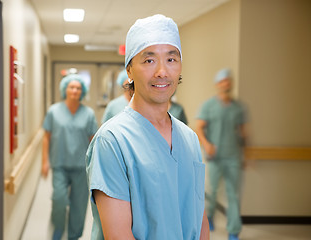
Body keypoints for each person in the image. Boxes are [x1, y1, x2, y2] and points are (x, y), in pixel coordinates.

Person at [86, 14, 209, 240]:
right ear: (129, 70)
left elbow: (199, 219)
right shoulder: (112, 141)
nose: (162, 71)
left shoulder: (189, 138)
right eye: (149, 60)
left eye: (171, 59)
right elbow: (118, 236)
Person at [42, 73, 98, 240]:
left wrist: (95, 165)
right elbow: (46, 137)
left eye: (78, 88)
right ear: (65, 89)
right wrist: (44, 161)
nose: (75, 90)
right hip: (59, 163)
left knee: (79, 205)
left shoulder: (88, 113)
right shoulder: (53, 111)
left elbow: (93, 140)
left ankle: (74, 235)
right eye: (72, 87)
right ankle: (58, 231)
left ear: (83, 91)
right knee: (59, 199)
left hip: (81, 166)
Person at [195, 68, 248, 240]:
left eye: (228, 80)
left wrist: (246, 154)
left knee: (233, 194)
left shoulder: (238, 107)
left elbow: (243, 132)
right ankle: (209, 215)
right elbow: (199, 127)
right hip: (214, 157)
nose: (226, 83)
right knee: (212, 190)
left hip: (233, 156)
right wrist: (207, 144)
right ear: (217, 84)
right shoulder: (209, 105)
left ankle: (233, 231)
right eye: (222, 81)